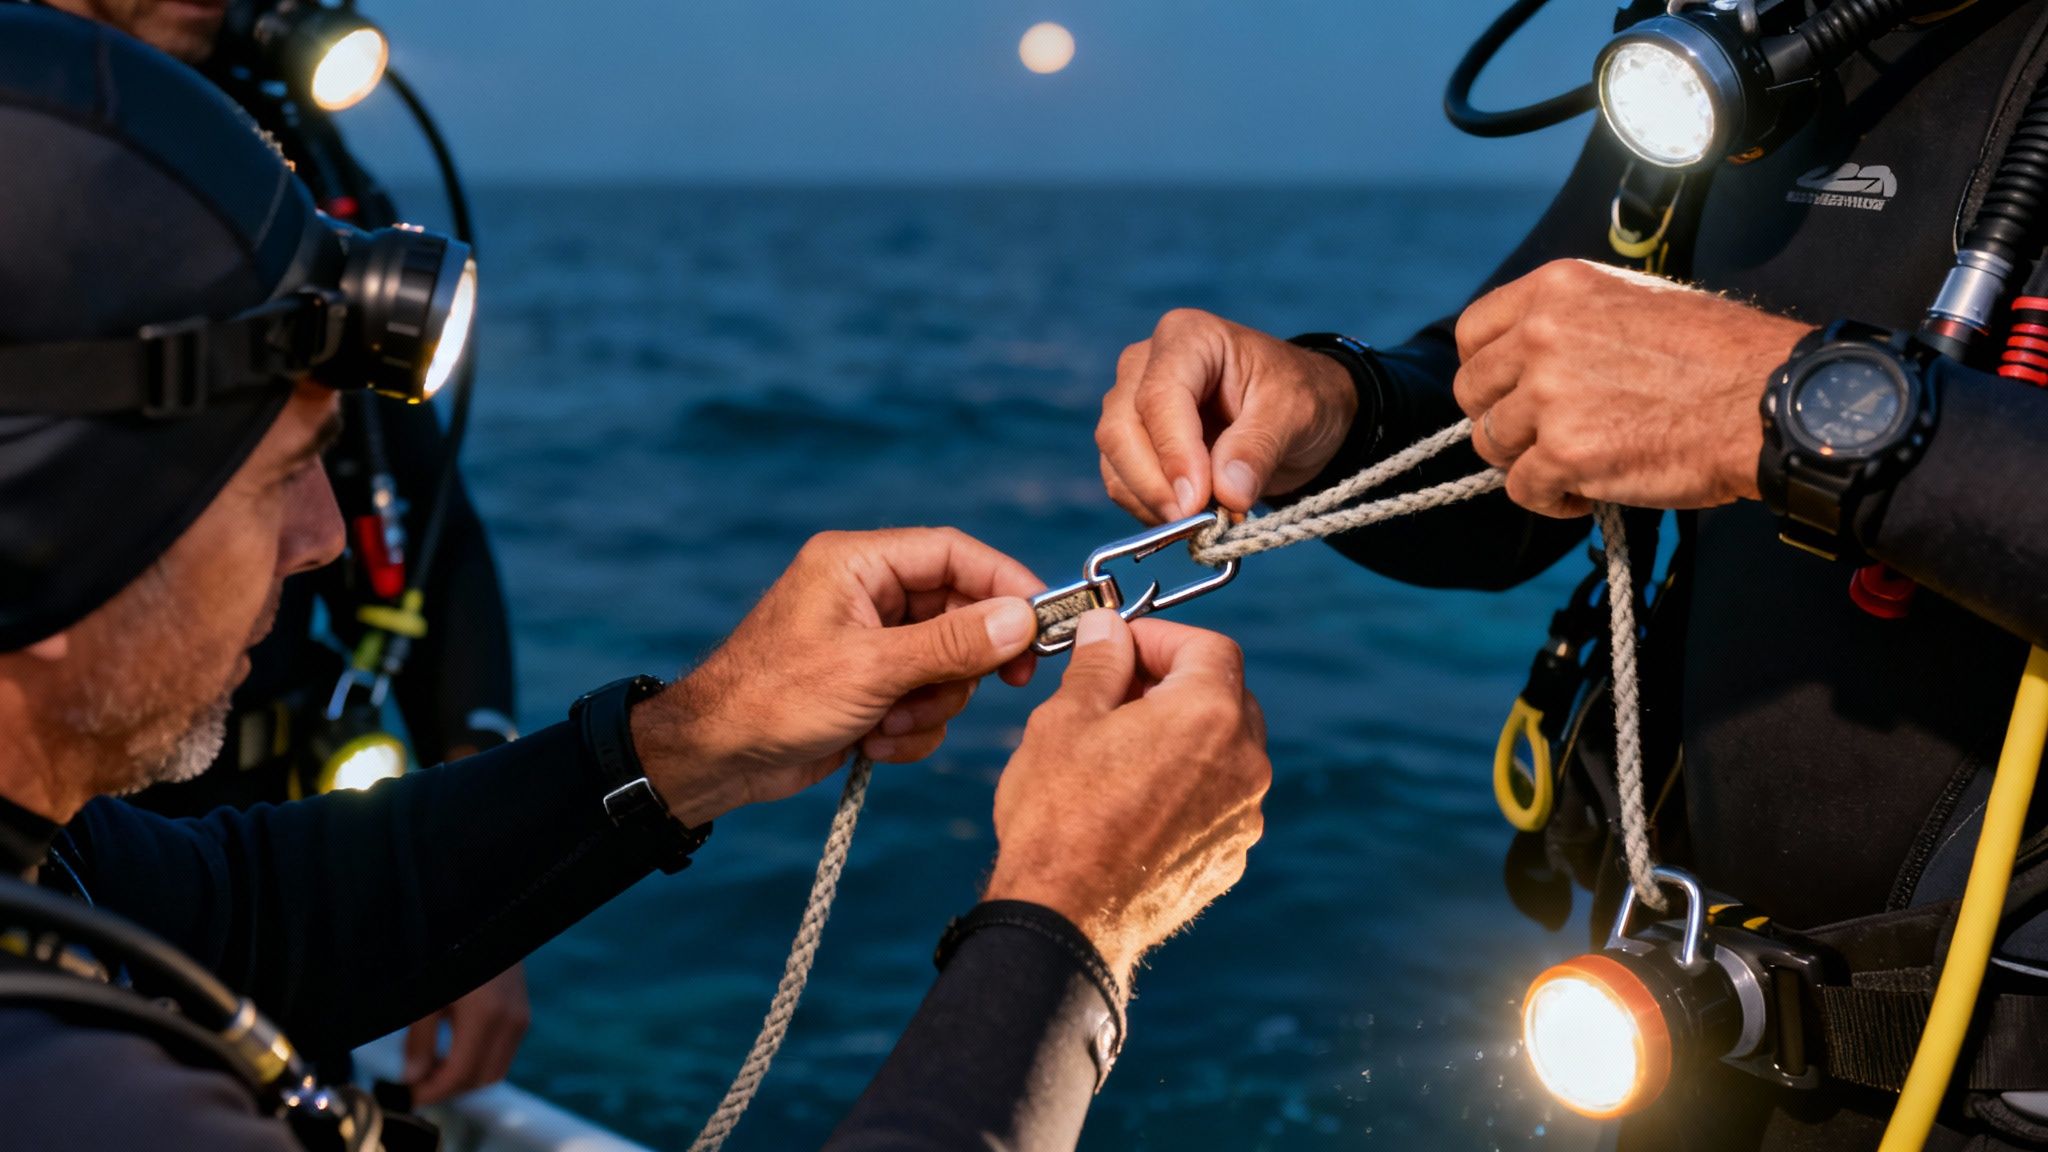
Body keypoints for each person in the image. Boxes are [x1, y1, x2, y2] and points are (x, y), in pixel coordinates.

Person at [0, 10, 1270, 1150]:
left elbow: (251, 917)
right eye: (279, 473)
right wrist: (1071, 916)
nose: (324, 537)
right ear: (41, 529)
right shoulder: (68, 1096)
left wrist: (697, 738)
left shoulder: (47, 865)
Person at [1095, 1, 2048, 1148]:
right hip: (1682, 1028)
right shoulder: (1732, 29)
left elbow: (1717, 393)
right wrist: (1338, 411)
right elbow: (1513, 460)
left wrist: (1788, 408)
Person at [35, 0, 528, 1103]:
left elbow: (427, 511)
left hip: (274, 832)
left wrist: (482, 882)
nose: (315, 536)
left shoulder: (301, 156)